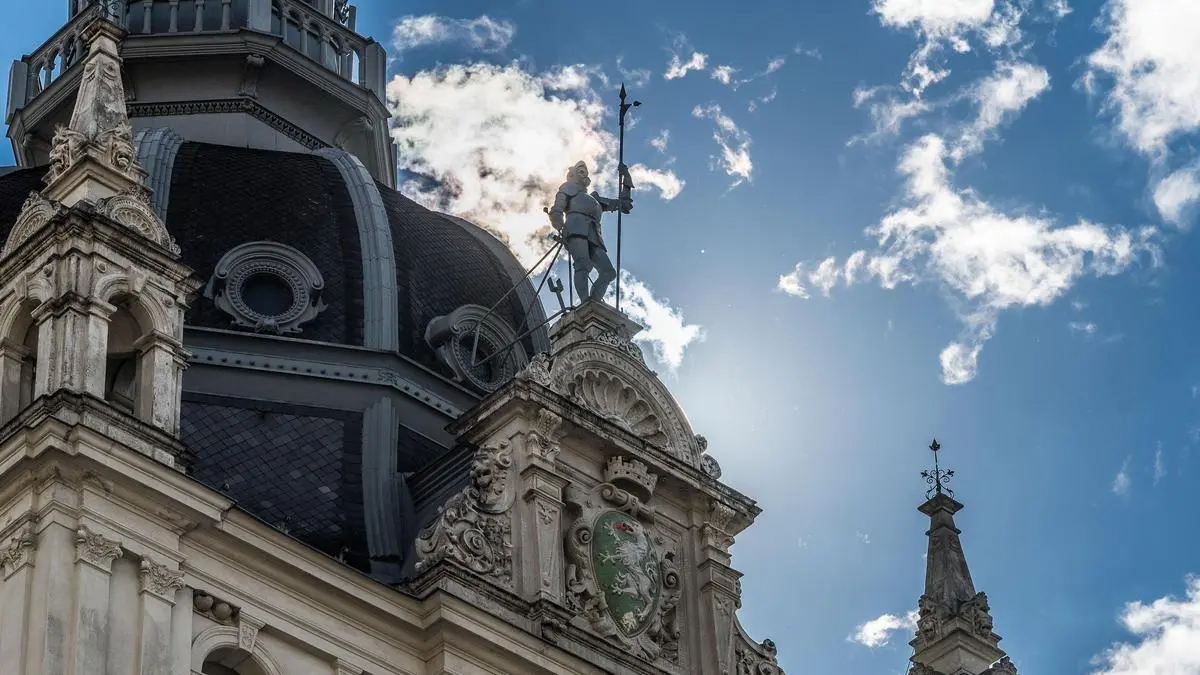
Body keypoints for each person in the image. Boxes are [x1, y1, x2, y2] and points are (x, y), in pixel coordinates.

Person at [547, 161, 633, 304]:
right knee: (583, 263)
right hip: (575, 229)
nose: (584, 174)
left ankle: (595, 302)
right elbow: (557, 208)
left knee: (608, 272)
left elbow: (624, 205)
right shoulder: (568, 188)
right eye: (580, 171)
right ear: (572, 175)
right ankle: (585, 301)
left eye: (585, 172)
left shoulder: (595, 199)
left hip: (594, 234)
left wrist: (626, 177)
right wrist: (560, 224)